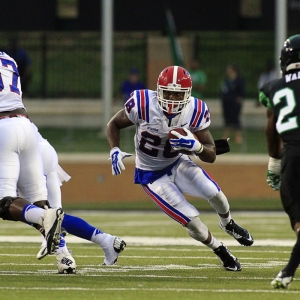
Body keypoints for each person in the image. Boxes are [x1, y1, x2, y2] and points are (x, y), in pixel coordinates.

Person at [107, 65, 254, 272]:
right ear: (159, 90)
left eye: (178, 94)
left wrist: (198, 147)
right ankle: (220, 250)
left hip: (177, 163)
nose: (172, 98)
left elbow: (211, 154)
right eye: (168, 92)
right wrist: (114, 149)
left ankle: (228, 223)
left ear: (188, 94)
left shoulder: (195, 110)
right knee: (192, 221)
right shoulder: (142, 104)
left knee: (216, 193)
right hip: (151, 175)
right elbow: (113, 124)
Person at [0, 51, 126, 273]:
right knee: (42, 209)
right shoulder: (8, 58)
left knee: (9, 204)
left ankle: (87, 244)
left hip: (5, 131)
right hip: (28, 128)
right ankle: (65, 257)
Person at [259, 34, 300, 289]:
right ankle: (288, 272)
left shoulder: (272, 87)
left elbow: (270, 126)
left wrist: (274, 161)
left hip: (291, 157)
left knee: (298, 219)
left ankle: (287, 272)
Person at [220, 63, 246, 144]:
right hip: (227, 102)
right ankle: (226, 135)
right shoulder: (227, 80)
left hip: (235, 102)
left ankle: (238, 136)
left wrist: (239, 99)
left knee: (235, 118)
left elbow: (242, 91)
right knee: (227, 118)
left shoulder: (239, 79)